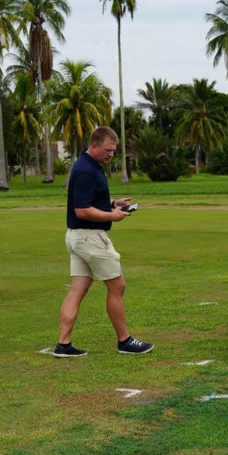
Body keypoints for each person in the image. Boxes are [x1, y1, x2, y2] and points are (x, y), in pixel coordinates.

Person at [54, 126, 153, 357]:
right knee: (117, 286)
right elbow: (81, 210)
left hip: (78, 237)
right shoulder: (86, 170)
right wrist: (112, 216)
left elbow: (90, 200)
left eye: (114, 150)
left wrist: (113, 203)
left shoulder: (88, 165)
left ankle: (63, 344)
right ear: (94, 145)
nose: (111, 154)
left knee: (77, 289)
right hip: (90, 238)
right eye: (108, 150)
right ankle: (125, 341)